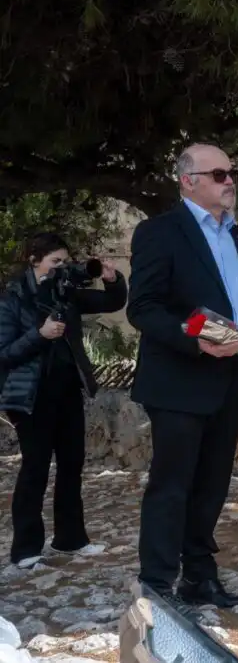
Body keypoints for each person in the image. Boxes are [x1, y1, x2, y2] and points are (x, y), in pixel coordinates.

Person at [127, 143, 238, 616]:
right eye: (218, 174)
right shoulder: (159, 232)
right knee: (171, 486)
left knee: (212, 486)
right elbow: (143, 308)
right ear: (187, 181)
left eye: (231, 173)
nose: (229, 180)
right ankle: (157, 585)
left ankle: (199, 577)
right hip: (178, 381)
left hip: (230, 381)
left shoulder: (236, 236)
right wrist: (194, 341)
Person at [0, 232, 127, 568]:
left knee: (72, 465)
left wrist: (112, 280)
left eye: (64, 262)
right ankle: (26, 550)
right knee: (36, 468)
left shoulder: (67, 293)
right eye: (54, 261)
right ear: (34, 260)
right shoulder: (13, 298)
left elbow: (111, 302)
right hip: (29, 397)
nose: (61, 268)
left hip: (67, 390)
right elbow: (4, 353)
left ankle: (70, 540)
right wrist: (39, 335)